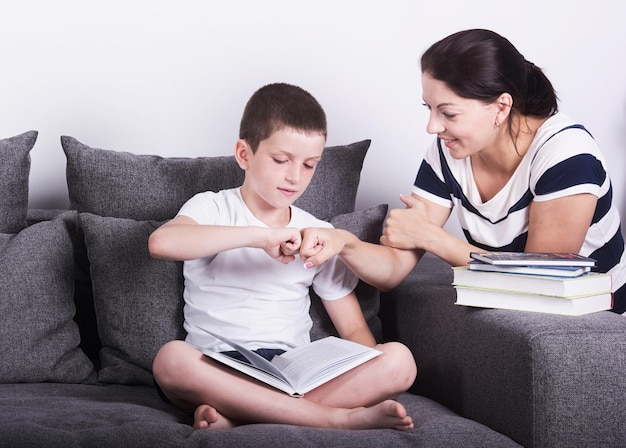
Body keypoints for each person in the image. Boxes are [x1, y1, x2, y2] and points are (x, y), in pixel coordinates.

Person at [149, 83, 417, 431]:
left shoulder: (318, 234)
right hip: (220, 366)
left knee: (400, 360)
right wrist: (261, 238)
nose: (295, 177)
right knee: (171, 359)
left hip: (295, 370)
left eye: (309, 165)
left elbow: (353, 329)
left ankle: (236, 416)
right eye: (281, 160)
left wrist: (368, 364)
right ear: (244, 154)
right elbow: (162, 242)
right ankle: (332, 418)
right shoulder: (212, 206)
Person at [299, 29, 626, 315]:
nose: (432, 126)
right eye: (429, 108)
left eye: (448, 113)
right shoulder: (448, 154)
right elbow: (394, 269)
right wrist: (343, 243)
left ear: (501, 106)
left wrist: (431, 238)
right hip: (530, 316)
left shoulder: (566, 154)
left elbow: (541, 281)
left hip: (601, 327)